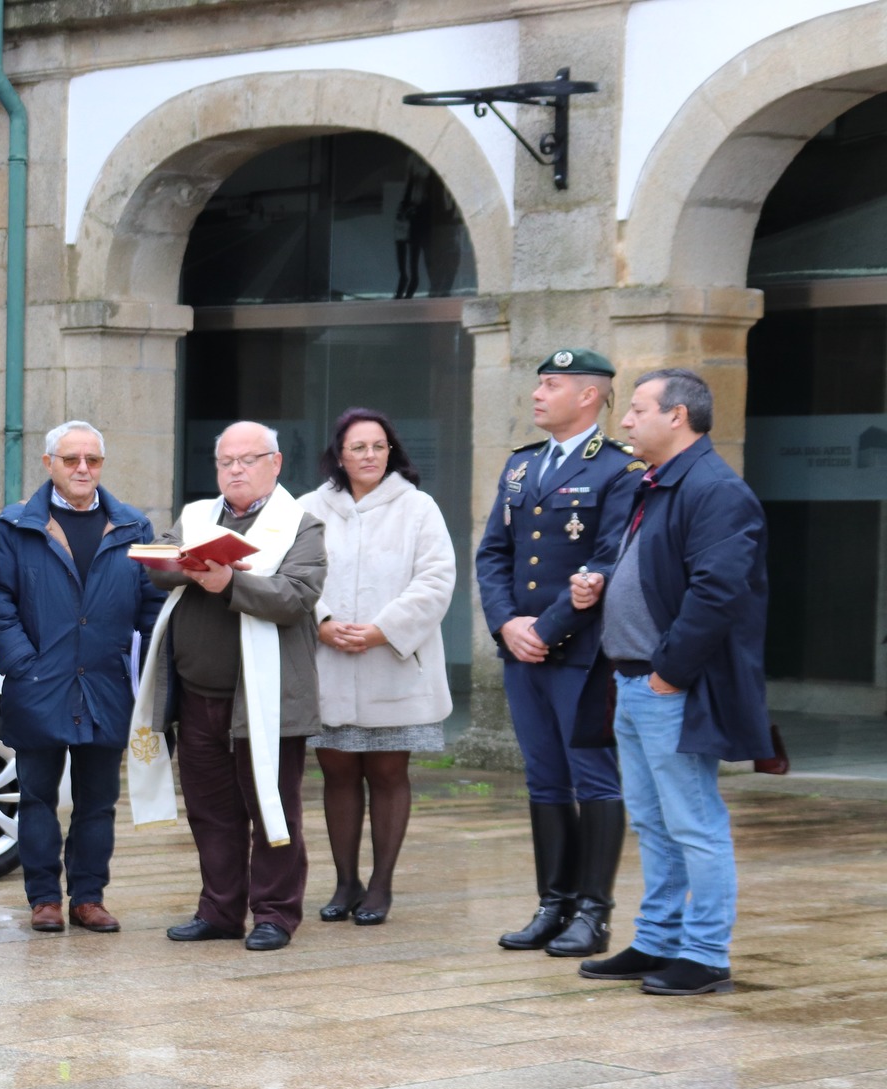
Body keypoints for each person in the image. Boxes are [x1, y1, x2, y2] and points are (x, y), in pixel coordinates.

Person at [566, 368, 771, 996]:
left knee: (694, 822)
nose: (624, 421)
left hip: (670, 687)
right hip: (632, 682)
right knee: (654, 823)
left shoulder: (715, 489)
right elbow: (648, 571)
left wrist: (668, 674)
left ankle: (706, 953)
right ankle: (658, 939)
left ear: (676, 416)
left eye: (635, 410)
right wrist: (601, 582)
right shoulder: (654, 484)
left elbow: (718, 591)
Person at [477, 349, 645, 959]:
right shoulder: (522, 468)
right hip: (524, 651)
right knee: (544, 777)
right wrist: (506, 624)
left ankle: (594, 914)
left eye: (553, 385)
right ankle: (554, 905)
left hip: (581, 653)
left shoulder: (621, 472)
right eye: (539, 384)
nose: (538, 394)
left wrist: (544, 629)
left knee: (592, 778)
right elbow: (493, 552)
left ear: (590, 395)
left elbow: (607, 562)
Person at [141, 421, 326, 951]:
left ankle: (274, 913)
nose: (236, 470)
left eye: (249, 459)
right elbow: (158, 566)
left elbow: (295, 597)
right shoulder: (198, 516)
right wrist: (192, 564)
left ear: (276, 463)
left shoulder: (301, 526)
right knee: (211, 811)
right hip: (199, 695)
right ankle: (220, 911)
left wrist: (229, 582)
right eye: (227, 462)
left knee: (273, 807)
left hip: (266, 699)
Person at [0, 420, 164, 932]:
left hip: (106, 684)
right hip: (39, 683)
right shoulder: (16, 526)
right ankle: (44, 899)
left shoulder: (132, 526)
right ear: (49, 464)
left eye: (93, 460)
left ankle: (88, 896)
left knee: (98, 801)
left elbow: (152, 608)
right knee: (36, 796)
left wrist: (148, 676)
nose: (83, 469)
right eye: (71, 459)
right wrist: (21, 663)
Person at [301, 408, 455, 926]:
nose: (369, 456)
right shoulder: (308, 508)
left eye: (379, 446)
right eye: (358, 447)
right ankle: (346, 881)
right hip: (329, 662)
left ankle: (381, 885)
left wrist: (381, 629)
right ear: (339, 455)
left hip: (393, 661)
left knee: (389, 773)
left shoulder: (418, 508)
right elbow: (290, 574)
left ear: (392, 452)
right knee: (337, 772)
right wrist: (321, 622)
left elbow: (436, 581)